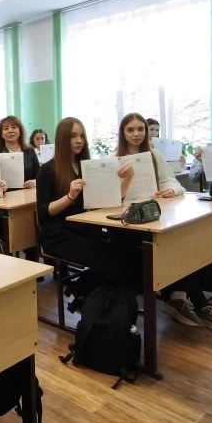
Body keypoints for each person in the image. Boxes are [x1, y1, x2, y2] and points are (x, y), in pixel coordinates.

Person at [35, 117, 137, 295]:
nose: (79, 140)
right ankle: (82, 292)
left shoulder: (88, 167)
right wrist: (69, 197)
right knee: (110, 263)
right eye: (73, 136)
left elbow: (108, 200)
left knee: (129, 253)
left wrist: (127, 179)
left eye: (82, 136)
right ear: (62, 139)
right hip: (58, 235)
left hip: (85, 229)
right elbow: (43, 213)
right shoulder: (47, 170)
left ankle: (95, 295)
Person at [115, 113, 184, 198]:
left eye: (140, 129)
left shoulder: (155, 154)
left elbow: (168, 180)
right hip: (125, 205)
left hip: (154, 203)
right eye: (130, 130)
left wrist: (171, 189)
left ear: (145, 131)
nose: (136, 134)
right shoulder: (113, 159)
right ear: (123, 132)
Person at [0, 115, 39, 189]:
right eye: (6, 128)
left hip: (28, 193)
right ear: (1, 134)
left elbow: (39, 175)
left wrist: (34, 182)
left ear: (20, 131)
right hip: (4, 194)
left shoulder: (30, 151)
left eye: (14, 127)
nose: (10, 131)